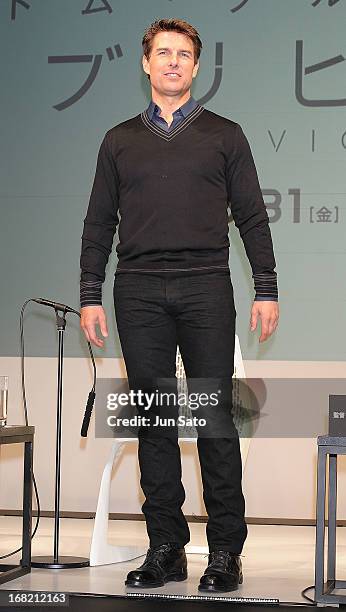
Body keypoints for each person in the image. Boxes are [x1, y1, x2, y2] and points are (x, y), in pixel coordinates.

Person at [79, 18, 279, 593]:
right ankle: (165, 546)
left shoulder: (226, 135)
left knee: (217, 419)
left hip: (205, 286)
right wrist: (90, 293)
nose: (172, 62)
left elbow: (252, 217)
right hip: (137, 290)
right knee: (154, 423)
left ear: (197, 67)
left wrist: (265, 286)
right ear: (145, 64)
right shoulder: (118, 140)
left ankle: (224, 552)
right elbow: (98, 222)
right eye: (162, 53)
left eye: (183, 54)